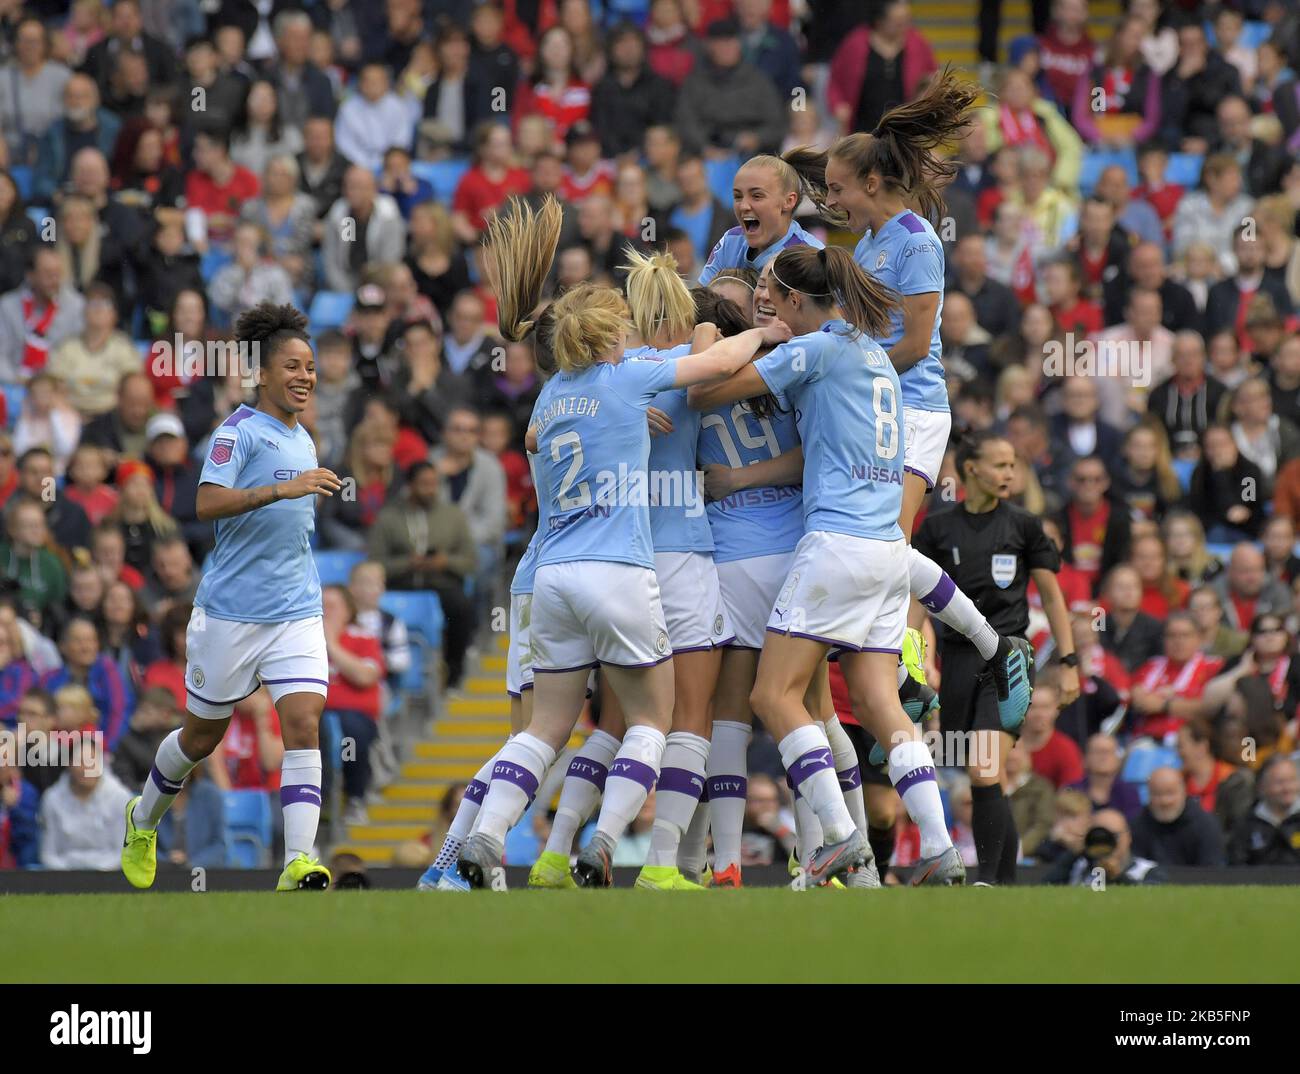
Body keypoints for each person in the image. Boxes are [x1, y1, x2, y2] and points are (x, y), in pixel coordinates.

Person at [455, 206, 786, 891]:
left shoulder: (555, 393)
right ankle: (639, 855)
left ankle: (519, 845)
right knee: (667, 719)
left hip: (555, 574)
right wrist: (764, 328)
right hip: (651, 560)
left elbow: (531, 443)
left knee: (566, 726)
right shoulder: (651, 370)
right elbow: (717, 358)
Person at [685, 243, 964, 886]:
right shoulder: (874, 353)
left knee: (772, 695)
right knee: (877, 703)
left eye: (773, 298)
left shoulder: (814, 349)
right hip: (889, 550)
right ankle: (941, 848)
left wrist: (753, 337)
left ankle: (841, 838)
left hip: (834, 547)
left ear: (793, 302)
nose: (767, 305)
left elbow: (705, 394)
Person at [120, 302, 344, 893]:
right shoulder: (236, 432)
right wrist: (282, 489)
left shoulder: (305, 438)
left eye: (312, 367)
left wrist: (300, 489)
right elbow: (206, 503)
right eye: (293, 366)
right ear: (262, 374)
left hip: (296, 609)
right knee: (200, 738)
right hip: (229, 615)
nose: (305, 377)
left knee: (303, 722)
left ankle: (299, 861)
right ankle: (142, 820)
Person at [910, 431, 1079, 884]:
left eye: (1013, 465)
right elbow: (917, 594)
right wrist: (908, 651)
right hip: (958, 660)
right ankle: (1002, 886)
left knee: (985, 768)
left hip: (1009, 661)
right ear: (971, 470)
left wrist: (1069, 662)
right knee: (982, 773)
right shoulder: (938, 528)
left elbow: (1053, 597)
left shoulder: (1024, 525)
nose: (1010, 473)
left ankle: (986, 879)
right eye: (1000, 464)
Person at [367, 461, 476, 690]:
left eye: (434, 484)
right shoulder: (389, 516)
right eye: (424, 484)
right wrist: (408, 563)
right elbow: (374, 563)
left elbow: (470, 561)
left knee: (462, 608)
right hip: (401, 585)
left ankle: (453, 674)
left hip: (441, 583)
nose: (430, 489)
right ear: (410, 485)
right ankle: (389, 678)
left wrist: (445, 561)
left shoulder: (453, 515)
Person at [696, 147, 824, 286]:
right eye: (738, 196)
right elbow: (699, 300)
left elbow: (836, 308)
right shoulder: (730, 241)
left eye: (757, 196)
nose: (744, 206)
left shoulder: (812, 256)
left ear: (789, 201)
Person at [39, 733, 133, 870]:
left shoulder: (120, 797)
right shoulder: (51, 799)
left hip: (110, 875)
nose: (87, 768)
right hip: (64, 874)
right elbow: (48, 853)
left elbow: (124, 851)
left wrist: (96, 873)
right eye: (81, 761)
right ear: (69, 764)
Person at [1131, 766, 1226, 867]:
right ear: (1148, 795)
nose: (1165, 801)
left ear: (1184, 791)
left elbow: (1212, 871)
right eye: (1157, 794)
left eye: (1170, 793)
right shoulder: (1137, 826)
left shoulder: (1206, 825)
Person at [1229, 755, 1300, 866]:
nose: (1287, 788)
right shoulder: (1246, 824)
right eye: (1280, 782)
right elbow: (1237, 865)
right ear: (1262, 786)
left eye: (1292, 780)